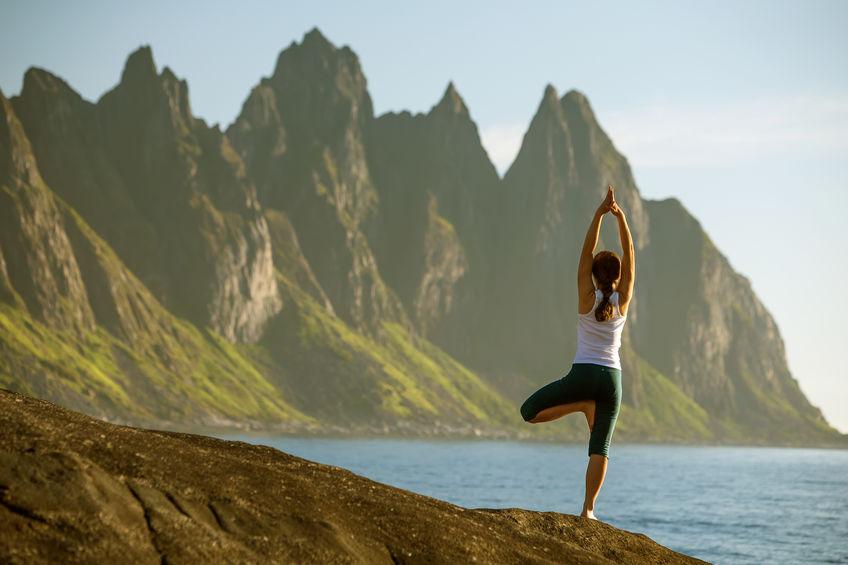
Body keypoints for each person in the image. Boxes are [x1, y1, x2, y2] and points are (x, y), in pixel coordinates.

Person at [519, 185, 635, 520]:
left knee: (528, 411)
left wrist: (599, 213)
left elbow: (585, 254)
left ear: (594, 276)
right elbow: (630, 254)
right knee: (601, 448)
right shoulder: (622, 300)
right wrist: (621, 218)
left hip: (582, 373)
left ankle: (579, 405)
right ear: (616, 277)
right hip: (612, 380)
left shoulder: (587, 298)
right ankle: (588, 510)